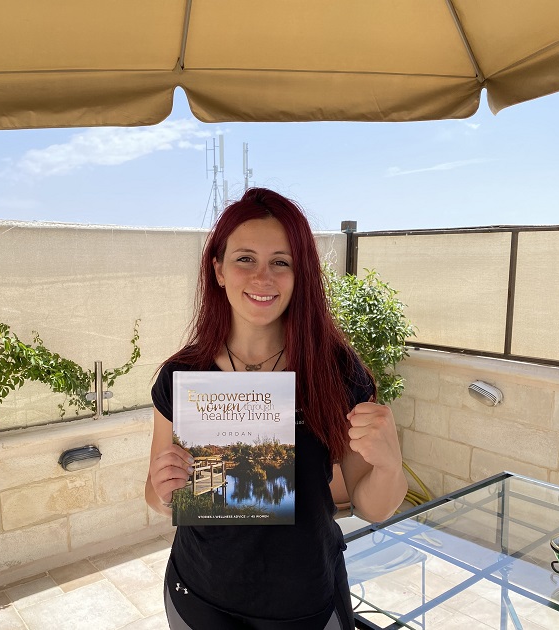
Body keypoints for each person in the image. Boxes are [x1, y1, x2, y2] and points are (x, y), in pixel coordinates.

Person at [146, 188, 408, 630]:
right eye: (245, 258)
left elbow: (373, 506)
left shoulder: (337, 372)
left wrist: (390, 465)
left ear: (300, 273)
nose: (262, 278)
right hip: (198, 598)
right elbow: (157, 497)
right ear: (219, 270)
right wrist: (162, 487)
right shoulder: (181, 375)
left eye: (281, 262)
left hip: (307, 604)